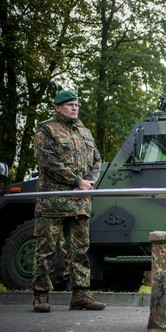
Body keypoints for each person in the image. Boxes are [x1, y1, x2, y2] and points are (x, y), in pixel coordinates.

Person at [32, 90, 105, 313]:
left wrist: (87, 183)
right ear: (57, 107)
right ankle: (41, 295)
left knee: (80, 250)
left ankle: (80, 295)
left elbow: (97, 160)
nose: (74, 108)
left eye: (76, 104)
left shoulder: (84, 131)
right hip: (53, 200)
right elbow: (47, 162)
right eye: (69, 105)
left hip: (79, 200)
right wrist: (76, 180)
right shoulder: (46, 130)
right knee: (46, 249)